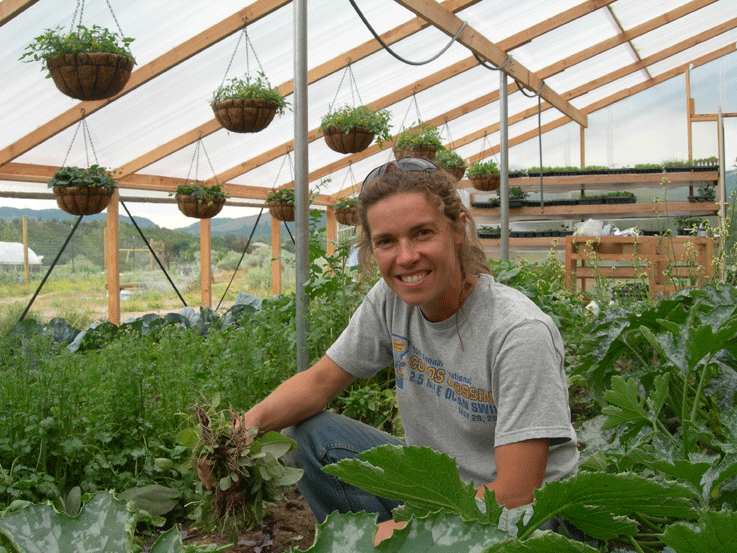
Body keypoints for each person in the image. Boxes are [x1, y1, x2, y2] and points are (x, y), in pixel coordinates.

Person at [208, 157, 579, 542]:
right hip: (438, 490)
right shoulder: (391, 300)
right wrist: (236, 436)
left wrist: (400, 534)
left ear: (457, 231)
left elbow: (518, 493)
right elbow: (319, 381)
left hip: (524, 520)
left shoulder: (517, 332)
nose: (405, 257)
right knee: (313, 436)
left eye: (422, 233)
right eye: (387, 241)